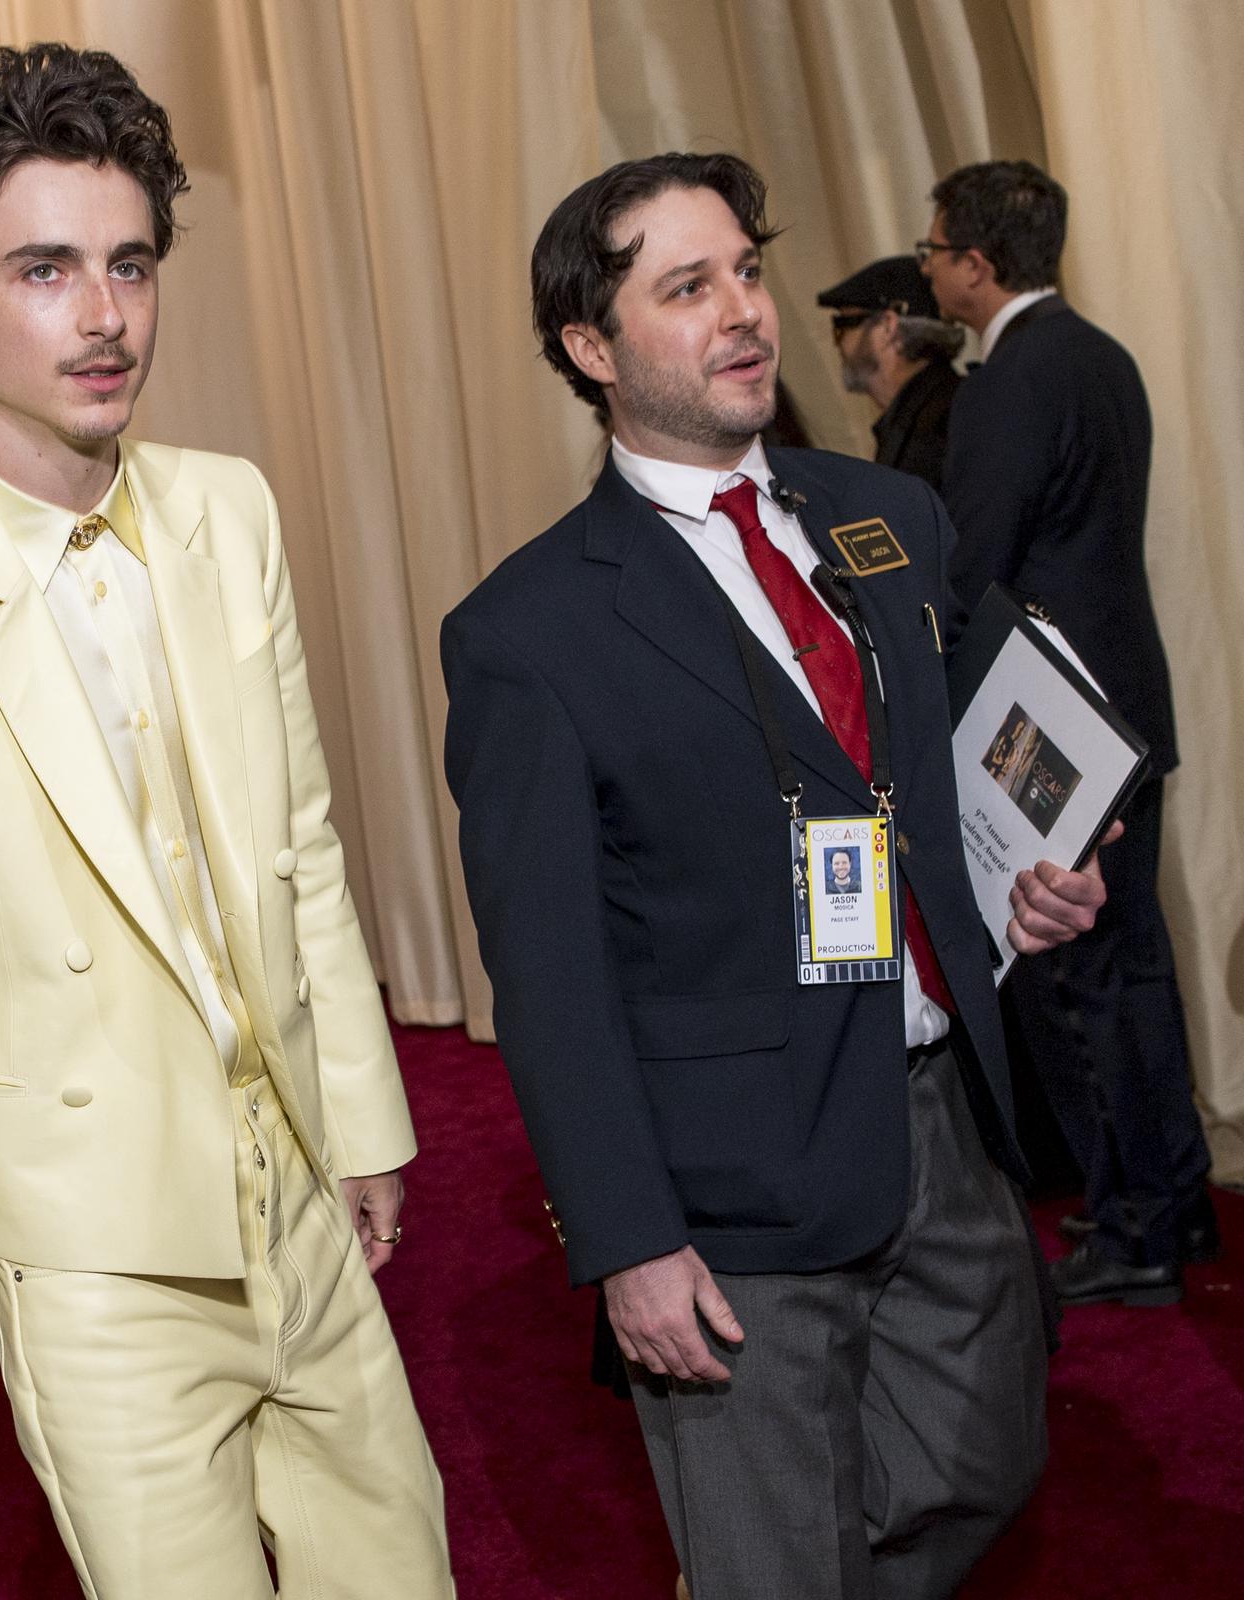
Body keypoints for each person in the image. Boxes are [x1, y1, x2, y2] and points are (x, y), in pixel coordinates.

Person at [0, 45, 454, 1597]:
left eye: (128, 263)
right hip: (94, 1265)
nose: (104, 313)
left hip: (297, 1195)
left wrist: (360, 1112)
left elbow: (301, 842)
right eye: (45, 268)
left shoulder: (230, 510)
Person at [442, 151, 1114, 1600]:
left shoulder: (890, 519)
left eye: (746, 269)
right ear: (591, 347)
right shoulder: (531, 631)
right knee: (775, 1559)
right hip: (732, 1178)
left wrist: (1037, 877)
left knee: (987, 1464)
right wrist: (629, 1238)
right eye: (689, 287)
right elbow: (548, 977)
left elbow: (964, 776)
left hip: (944, 1123)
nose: (745, 309)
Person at [921, 159, 1214, 1307]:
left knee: (1083, 982)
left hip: (1056, 730)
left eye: (937, 249)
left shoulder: (1004, 381)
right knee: (1136, 969)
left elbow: (974, 554)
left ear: (978, 265)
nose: (932, 267)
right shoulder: (1104, 356)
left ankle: (1137, 1224)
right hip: (1131, 705)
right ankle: (1172, 1204)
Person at [816, 255, 963, 492]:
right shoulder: (926, 410)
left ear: (887, 326)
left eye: (842, 325)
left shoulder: (941, 422)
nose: (837, 344)